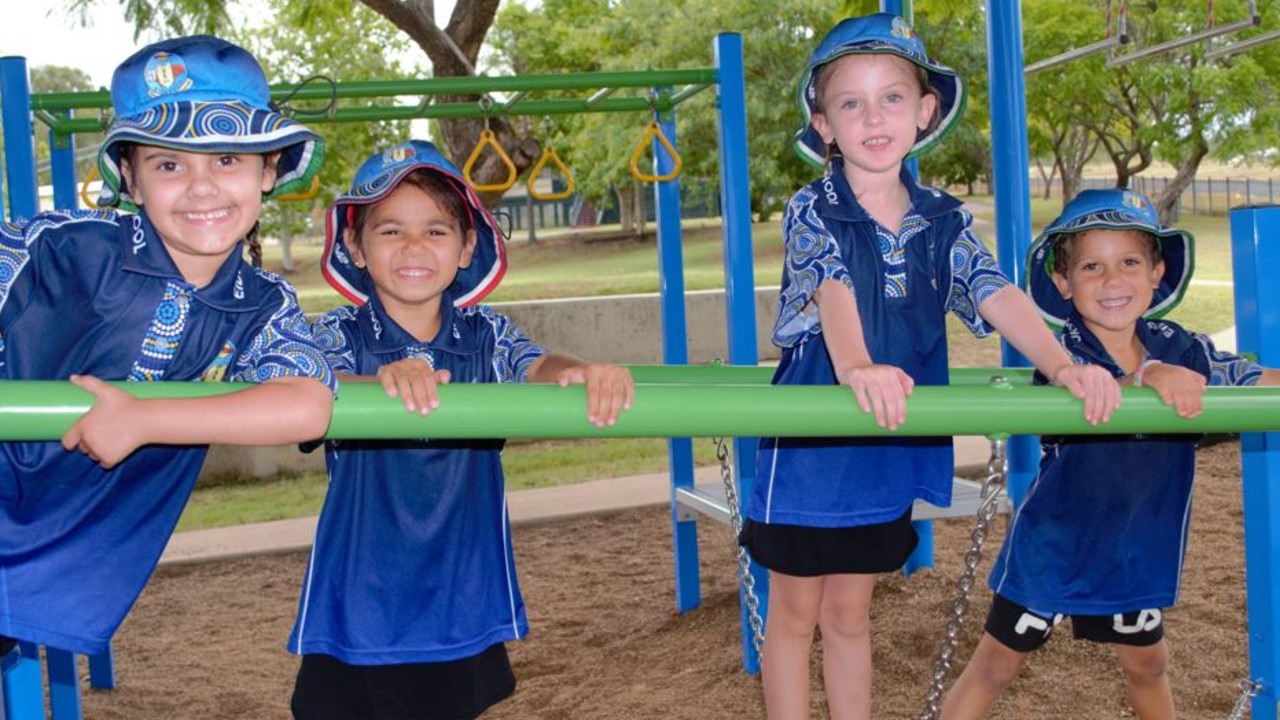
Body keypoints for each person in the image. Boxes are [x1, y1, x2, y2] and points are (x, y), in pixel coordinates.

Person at [738, 14, 1122, 720]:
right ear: (823, 124)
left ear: (925, 112)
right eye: (850, 102)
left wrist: (1065, 365)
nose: (872, 116)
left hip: (885, 436)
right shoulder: (812, 208)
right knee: (794, 610)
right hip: (815, 444)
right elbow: (833, 286)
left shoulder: (944, 218)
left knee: (850, 611)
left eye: (891, 97)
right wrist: (856, 365)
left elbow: (994, 291)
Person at [0, 35, 335, 659]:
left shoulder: (261, 302)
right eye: (171, 164)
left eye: (228, 159)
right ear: (130, 176)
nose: (202, 187)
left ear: (269, 171)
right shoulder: (63, 247)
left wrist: (146, 417)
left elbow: (307, 403)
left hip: (51, 562)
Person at [288, 139, 634, 720]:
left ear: (468, 243)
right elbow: (302, 384)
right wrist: (383, 382)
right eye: (391, 230)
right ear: (355, 244)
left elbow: (538, 365)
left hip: (459, 595)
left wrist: (580, 372)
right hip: (360, 597)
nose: (414, 247)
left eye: (437, 231)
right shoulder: (340, 335)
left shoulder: (484, 335)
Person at [939, 188, 1279, 719]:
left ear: (1156, 273)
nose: (1113, 281)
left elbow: (1252, 381)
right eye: (1091, 267)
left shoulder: (1181, 346)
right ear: (1063, 282)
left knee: (1148, 666)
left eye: (1129, 263)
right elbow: (1092, 390)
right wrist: (1149, 374)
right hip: (1054, 544)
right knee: (996, 666)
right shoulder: (1064, 358)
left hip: (1134, 546)